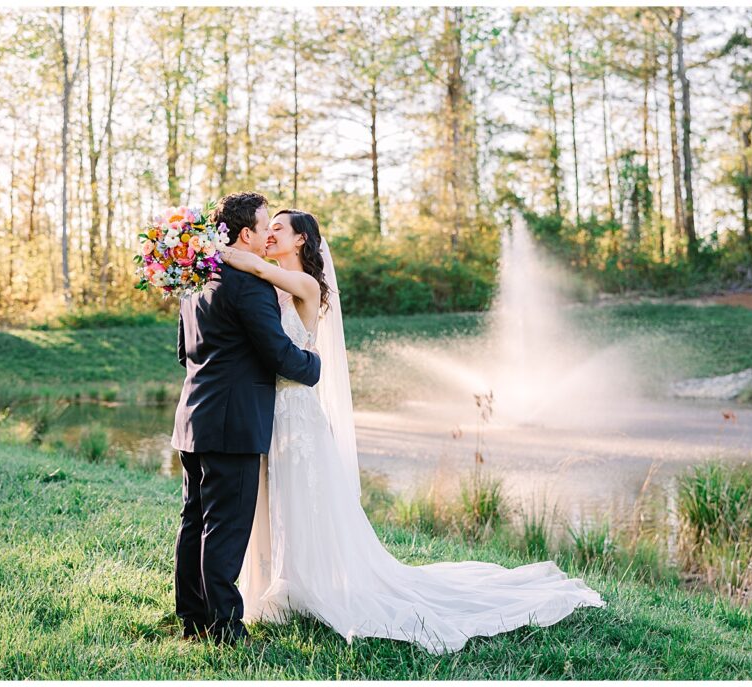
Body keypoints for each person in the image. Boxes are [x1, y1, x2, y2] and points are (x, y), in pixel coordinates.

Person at [221, 209, 604, 654]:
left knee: (304, 500)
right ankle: (274, 582)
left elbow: (250, 265)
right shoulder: (274, 288)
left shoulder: (303, 286)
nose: (268, 235)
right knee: (275, 498)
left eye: (277, 229)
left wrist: (205, 249)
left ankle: (310, 587)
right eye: (266, 229)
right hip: (271, 410)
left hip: (297, 412)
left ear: (302, 240)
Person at [170, 192, 321, 645]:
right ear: (246, 234)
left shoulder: (196, 281)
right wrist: (315, 367)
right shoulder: (249, 286)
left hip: (193, 416)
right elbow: (277, 354)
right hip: (232, 425)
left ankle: (192, 617)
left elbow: (184, 353)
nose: (269, 232)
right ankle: (223, 629)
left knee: (194, 520)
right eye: (263, 224)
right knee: (226, 529)